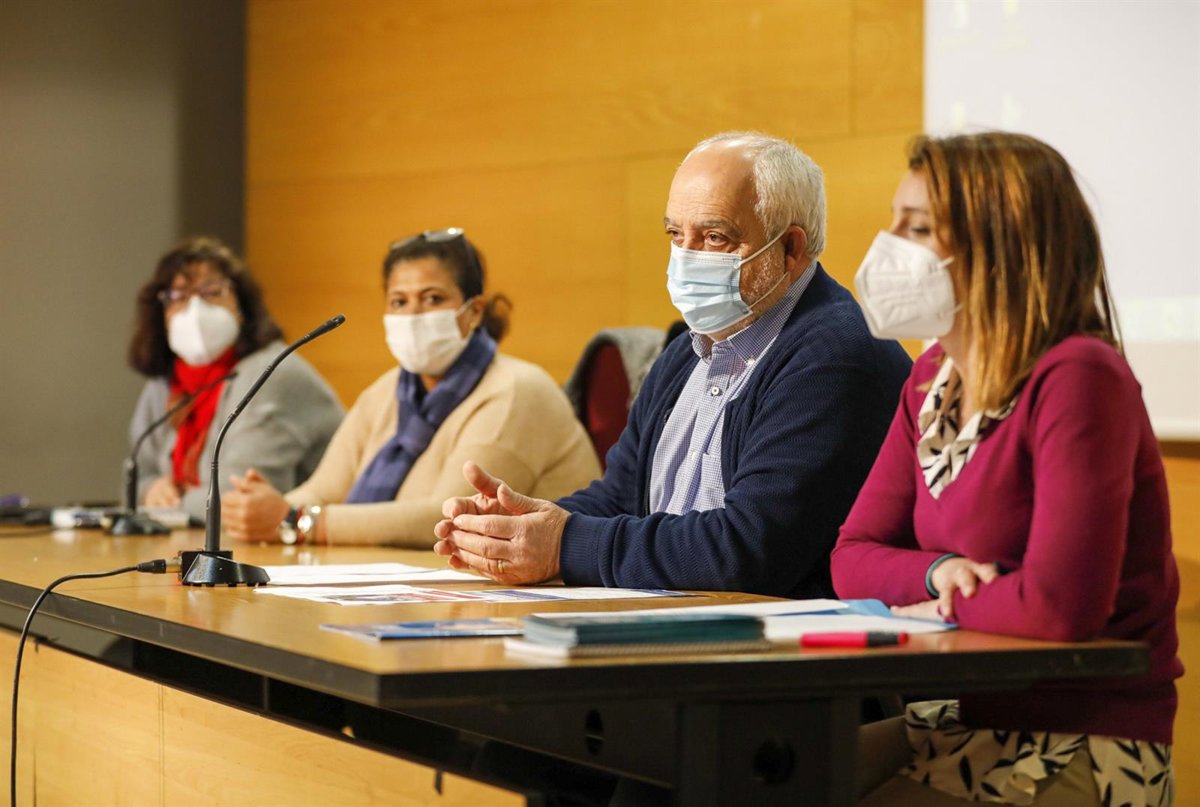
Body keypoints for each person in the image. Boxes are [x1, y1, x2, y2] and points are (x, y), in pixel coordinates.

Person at [832, 132, 1182, 806]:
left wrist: (944, 606)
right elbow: (852, 557)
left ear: (1001, 247)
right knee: (754, 778)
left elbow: (1059, 607)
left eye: (918, 228)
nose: (889, 245)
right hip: (962, 718)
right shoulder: (930, 377)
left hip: (1084, 737)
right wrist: (940, 573)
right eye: (895, 220)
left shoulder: (1079, 374)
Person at [434, 132, 913, 597]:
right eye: (676, 235)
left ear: (789, 248)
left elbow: (749, 548)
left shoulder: (835, 355)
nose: (686, 257)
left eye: (714, 237)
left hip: (777, 641)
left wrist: (565, 545)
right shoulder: (686, 352)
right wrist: (518, 527)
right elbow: (621, 498)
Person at [221, 229, 601, 546]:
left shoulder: (517, 390)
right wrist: (262, 510)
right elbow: (325, 488)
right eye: (399, 302)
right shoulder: (386, 391)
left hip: (534, 593)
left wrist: (297, 522)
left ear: (474, 311)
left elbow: (449, 516)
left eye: (433, 298)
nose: (413, 315)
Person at [127, 236, 343, 521]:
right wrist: (151, 490)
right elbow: (133, 479)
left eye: (212, 291)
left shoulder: (272, 374)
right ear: (161, 313)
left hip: (314, 541)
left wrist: (171, 501)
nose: (195, 308)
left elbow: (237, 500)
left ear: (242, 307)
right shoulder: (166, 383)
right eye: (179, 296)